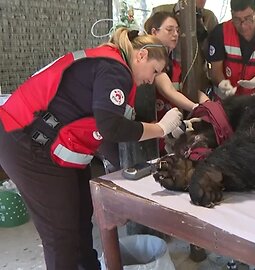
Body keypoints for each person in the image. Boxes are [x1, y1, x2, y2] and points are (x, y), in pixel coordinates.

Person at [0, 27, 183, 269]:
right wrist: (160, 128)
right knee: (61, 232)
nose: (151, 79)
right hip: (26, 142)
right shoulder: (115, 69)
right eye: (154, 71)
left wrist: (124, 176)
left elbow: (105, 131)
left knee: (82, 216)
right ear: (141, 56)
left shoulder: (114, 68)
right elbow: (111, 128)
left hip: (54, 146)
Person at [144, 11, 209, 152]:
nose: (175, 34)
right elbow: (169, 92)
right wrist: (197, 108)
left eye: (177, 30)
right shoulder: (149, 64)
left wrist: (210, 106)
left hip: (172, 134)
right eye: (169, 30)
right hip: (153, 133)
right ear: (154, 32)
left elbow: (189, 90)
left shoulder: (175, 66)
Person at [206, 0, 255, 98]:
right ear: (231, 14)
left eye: (248, 18)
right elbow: (215, 70)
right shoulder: (220, 32)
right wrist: (222, 83)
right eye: (237, 20)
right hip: (226, 100)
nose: (243, 26)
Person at [151, 0, 218, 97]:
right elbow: (148, 43)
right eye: (170, 29)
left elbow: (214, 53)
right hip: (165, 75)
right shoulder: (161, 11)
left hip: (197, 79)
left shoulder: (209, 18)